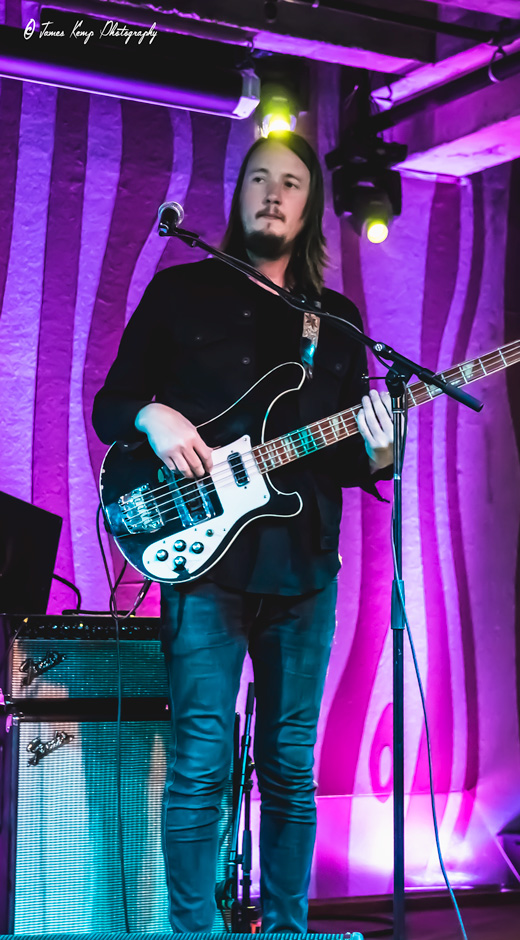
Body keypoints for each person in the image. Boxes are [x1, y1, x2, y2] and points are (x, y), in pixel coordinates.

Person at [92, 131, 394, 934]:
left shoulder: (337, 321)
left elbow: (348, 457)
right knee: (200, 765)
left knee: (291, 772)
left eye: (291, 183)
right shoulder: (181, 293)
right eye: (260, 178)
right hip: (205, 570)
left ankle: (288, 929)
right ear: (239, 195)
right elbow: (109, 404)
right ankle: (196, 932)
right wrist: (152, 415)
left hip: (303, 569)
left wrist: (380, 451)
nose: (273, 193)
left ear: (311, 206)